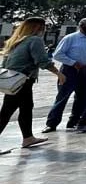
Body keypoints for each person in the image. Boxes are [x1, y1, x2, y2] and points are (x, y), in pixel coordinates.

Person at [0, 18, 66, 152]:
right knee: (6, 112)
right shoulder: (35, 40)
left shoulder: (16, 40)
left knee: (26, 108)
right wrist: (59, 73)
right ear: (38, 27)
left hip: (14, 79)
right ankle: (28, 137)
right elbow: (42, 61)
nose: (45, 29)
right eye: (44, 27)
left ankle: (28, 137)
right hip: (23, 80)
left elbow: (5, 63)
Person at [43, 17, 86, 133]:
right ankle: (52, 123)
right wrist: (73, 63)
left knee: (83, 97)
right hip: (70, 70)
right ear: (81, 25)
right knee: (63, 96)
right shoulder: (71, 38)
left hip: (85, 70)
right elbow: (57, 54)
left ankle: (74, 121)